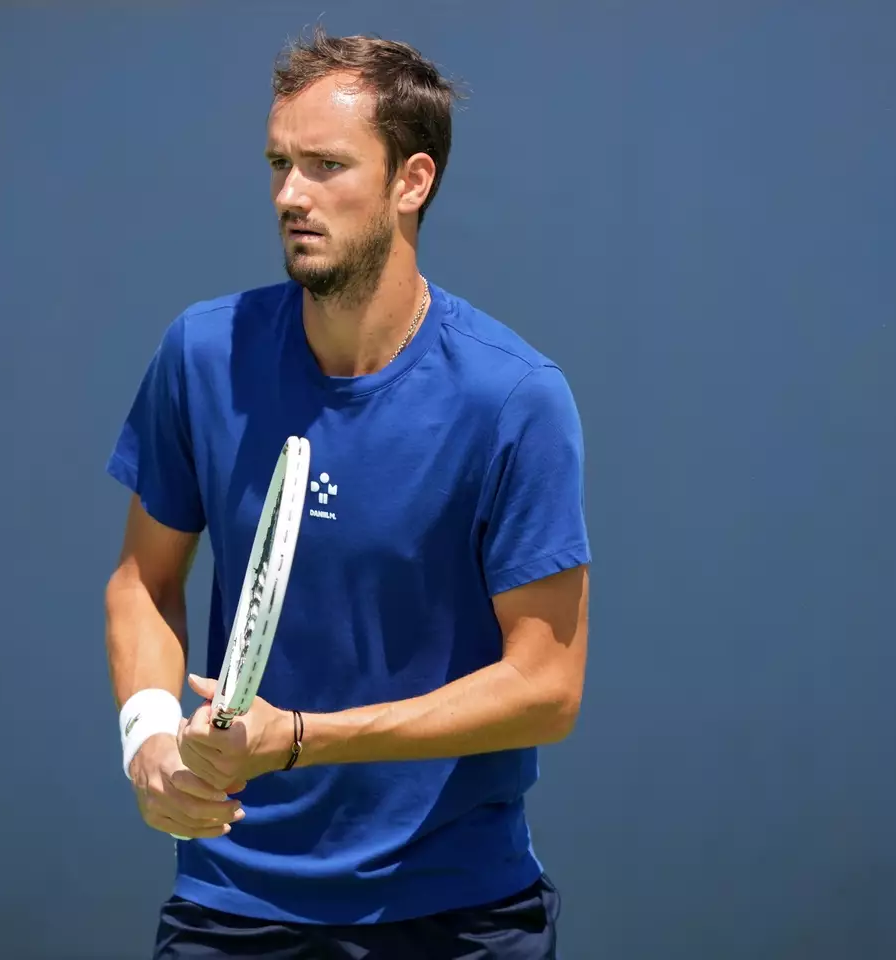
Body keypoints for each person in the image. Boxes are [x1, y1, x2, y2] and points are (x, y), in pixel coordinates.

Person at [104, 25, 590, 959]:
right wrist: (150, 739)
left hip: (457, 913)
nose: (291, 194)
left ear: (413, 181)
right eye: (279, 164)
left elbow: (546, 687)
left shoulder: (514, 399)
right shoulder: (202, 356)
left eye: (326, 166)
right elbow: (144, 579)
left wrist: (301, 737)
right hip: (232, 902)